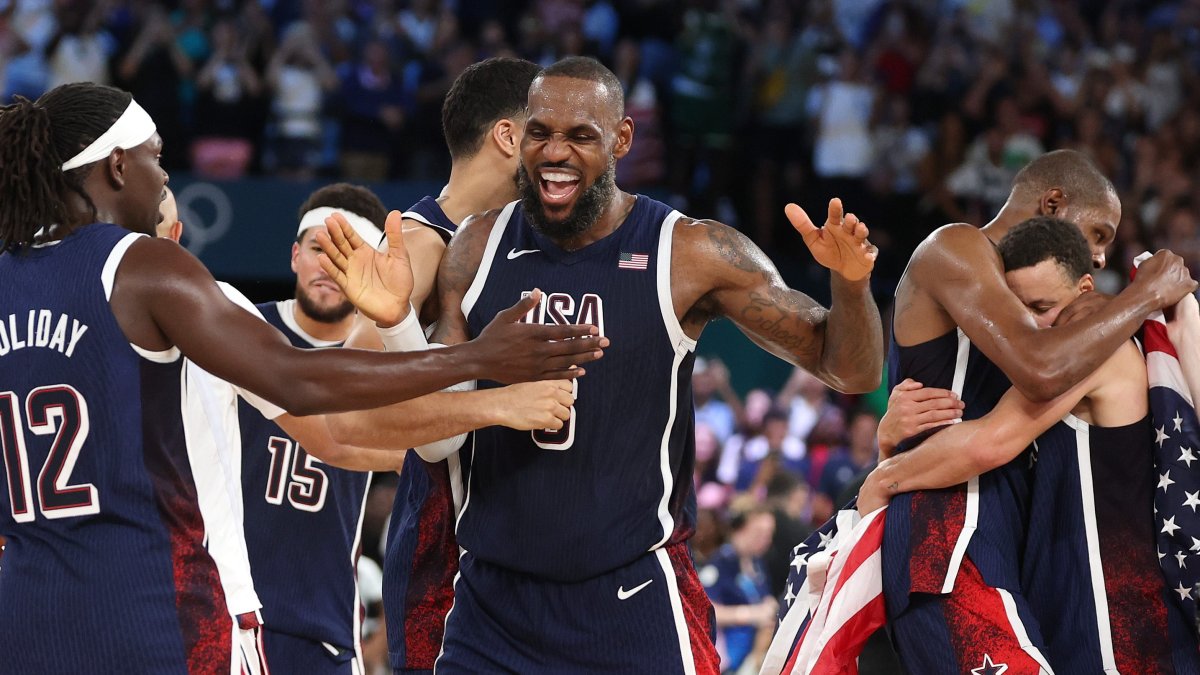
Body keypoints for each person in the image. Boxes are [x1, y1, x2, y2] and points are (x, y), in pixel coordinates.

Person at [0, 82, 604, 673]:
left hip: (24, 616)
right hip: (156, 612)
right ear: (115, 166)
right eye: (155, 157)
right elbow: (299, 380)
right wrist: (477, 361)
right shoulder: (141, 265)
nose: (164, 177)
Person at [321, 56, 884, 673]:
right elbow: (440, 438)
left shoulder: (690, 252)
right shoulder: (474, 248)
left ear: (620, 139)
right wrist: (397, 322)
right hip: (492, 609)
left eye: (580, 136)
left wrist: (851, 287)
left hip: (632, 600)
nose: (554, 151)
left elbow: (850, 371)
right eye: (540, 132)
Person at [873, 148, 1196, 674]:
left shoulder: (1048, 327)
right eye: (1098, 234)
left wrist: (887, 448)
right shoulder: (956, 246)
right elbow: (1033, 377)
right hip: (951, 535)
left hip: (1004, 543)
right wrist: (1142, 296)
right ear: (1052, 204)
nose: (1097, 257)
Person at [322, 56, 543, 675]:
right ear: (507, 136)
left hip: (522, 537)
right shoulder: (426, 241)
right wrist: (466, 426)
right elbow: (348, 394)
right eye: (543, 129)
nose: (558, 149)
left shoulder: (513, 237)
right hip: (446, 549)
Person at [699, 506, 778, 674]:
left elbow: (763, 599)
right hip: (728, 652)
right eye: (759, 533)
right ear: (740, 529)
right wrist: (749, 614)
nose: (767, 540)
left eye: (769, 534)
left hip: (755, 648)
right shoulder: (721, 562)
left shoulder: (757, 563)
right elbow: (706, 611)